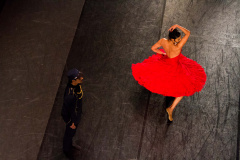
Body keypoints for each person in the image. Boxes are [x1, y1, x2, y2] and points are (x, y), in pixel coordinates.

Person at [131, 24, 207, 122]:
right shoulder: (178, 46)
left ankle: (170, 107)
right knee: (184, 88)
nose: (179, 40)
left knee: (159, 77)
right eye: (178, 39)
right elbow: (188, 33)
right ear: (174, 39)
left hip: (166, 63)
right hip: (175, 68)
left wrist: (162, 53)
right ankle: (170, 108)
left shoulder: (163, 41)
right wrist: (177, 25)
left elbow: (153, 48)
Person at [61, 68, 83, 158]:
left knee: (72, 134)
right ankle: (67, 150)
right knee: (69, 134)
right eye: (79, 77)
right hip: (72, 120)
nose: (81, 78)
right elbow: (64, 111)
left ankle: (70, 145)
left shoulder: (76, 86)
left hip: (76, 116)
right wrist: (70, 122)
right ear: (74, 80)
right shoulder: (69, 96)